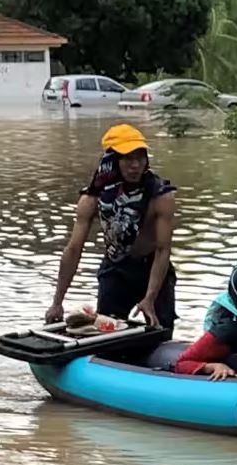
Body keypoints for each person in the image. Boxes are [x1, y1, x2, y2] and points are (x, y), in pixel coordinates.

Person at [44, 124, 177, 329]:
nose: (135, 165)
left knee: (161, 330)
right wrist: (57, 302)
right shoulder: (92, 198)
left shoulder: (160, 195)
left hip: (152, 268)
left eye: (140, 158)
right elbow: (73, 249)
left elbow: (163, 249)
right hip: (117, 268)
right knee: (108, 331)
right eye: (127, 158)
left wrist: (150, 297)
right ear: (113, 161)